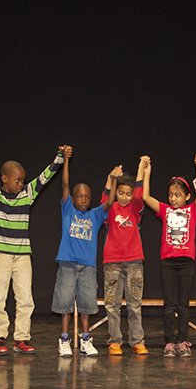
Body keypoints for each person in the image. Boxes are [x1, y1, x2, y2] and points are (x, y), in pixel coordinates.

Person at [0, 135, 67, 356]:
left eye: (22, 180)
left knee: (25, 298)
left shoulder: (27, 194)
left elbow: (45, 178)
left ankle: (22, 338)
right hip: (1, 254)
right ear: (4, 178)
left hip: (22, 255)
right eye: (16, 180)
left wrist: (60, 157)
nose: (21, 184)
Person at [53, 149, 118, 357]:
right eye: (79, 196)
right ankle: (64, 340)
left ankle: (85, 340)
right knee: (64, 302)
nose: (83, 200)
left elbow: (109, 202)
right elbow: (64, 184)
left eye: (87, 197)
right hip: (68, 264)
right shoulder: (68, 210)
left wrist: (114, 179)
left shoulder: (95, 215)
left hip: (88, 266)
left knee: (87, 304)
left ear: (90, 200)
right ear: (72, 199)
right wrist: (65, 160)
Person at [142, 153, 196, 358]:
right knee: (169, 305)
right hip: (168, 263)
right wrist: (147, 173)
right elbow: (145, 197)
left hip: (186, 263)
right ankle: (170, 342)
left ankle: (183, 341)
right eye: (171, 194)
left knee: (183, 304)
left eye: (177, 195)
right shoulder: (164, 210)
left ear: (187, 196)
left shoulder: (193, 210)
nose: (173, 198)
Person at [101, 156, 150, 356]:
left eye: (127, 194)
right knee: (112, 304)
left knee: (134, 304)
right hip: (112, 262)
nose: (124, 197)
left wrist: (141, 168)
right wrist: (111, 177)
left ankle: (137, 341)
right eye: (121, 193)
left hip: (134, 262)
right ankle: (115, 341)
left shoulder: (135, 208)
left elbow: (139, 194)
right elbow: (105, 197)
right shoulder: (110, 208)